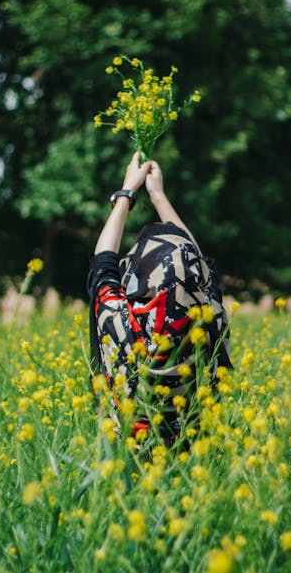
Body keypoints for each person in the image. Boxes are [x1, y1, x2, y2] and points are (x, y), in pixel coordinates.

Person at [87, 151, 232, 445]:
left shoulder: (123, 327)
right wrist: (159, 197)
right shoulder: (210, 318)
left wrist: (127, 194)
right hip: (198, 463)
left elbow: (102, 265)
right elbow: (200, 266)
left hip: (126, 463)